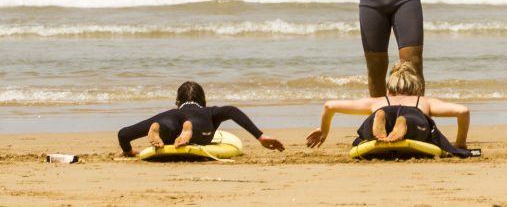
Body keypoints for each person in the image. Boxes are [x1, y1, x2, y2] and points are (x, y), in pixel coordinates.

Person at [305, 61, 475, 158]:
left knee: (375, 119)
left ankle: (381, 118)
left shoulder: (377, 101)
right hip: (414, 114)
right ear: (417, 88)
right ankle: (405, 123)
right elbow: (463, 111)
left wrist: (324, 130)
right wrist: (460, 143)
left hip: (383, 109)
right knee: (414, 121)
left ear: (389, 88)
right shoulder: (423, 101)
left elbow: (330, 106)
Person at [117, 81, 285, 156]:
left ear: (177, 102)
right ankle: (189, 132)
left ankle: (159, 130)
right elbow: (232, 111)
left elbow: (123, 134)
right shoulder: (209, 112)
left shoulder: (171, 113)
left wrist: (128, 151)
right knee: (199, 131)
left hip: (167, 120)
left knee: (166, 128)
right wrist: (260, 136)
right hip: (199, 125)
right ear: (203, 102)